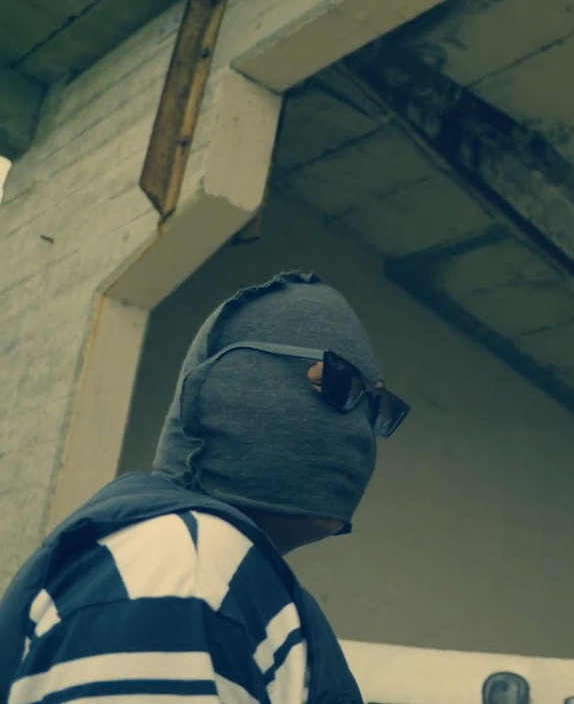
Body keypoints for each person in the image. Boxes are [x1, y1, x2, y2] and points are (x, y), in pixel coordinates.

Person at [0, 271, 410, 704]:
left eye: (376, 408)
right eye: (339, 385)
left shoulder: (212, 565)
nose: (361, 433)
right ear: (230, 385)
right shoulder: (184, 560)